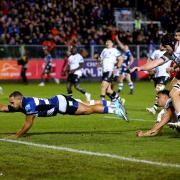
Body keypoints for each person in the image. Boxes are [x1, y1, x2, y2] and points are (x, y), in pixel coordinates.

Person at [0, 91, 128, 138]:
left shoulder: (28, 105)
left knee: (88, 110)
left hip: (60, 105)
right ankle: (115, 102)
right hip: (58, 100)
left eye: (12, 102)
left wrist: (17, 135)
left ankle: (116, 109)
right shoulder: (21, 104)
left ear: (19, 99)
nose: (11, 104)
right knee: (86, 104)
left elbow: (28, 124)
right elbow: (4, 108)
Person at [131, 32, 180, 122]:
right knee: (173, 91)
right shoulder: (170, 53)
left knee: (173, 93)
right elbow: (156, 62)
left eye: (166, 46)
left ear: (172, 44)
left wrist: (174, 68)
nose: (165, 48)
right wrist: (140, 68)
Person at [146, 44, 172, 115]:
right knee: (159, 92)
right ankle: (169, 104)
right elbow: (150, 60)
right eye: (160, 45)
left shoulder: (169, 52)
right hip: (157, 75)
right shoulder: (156, 52)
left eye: (162, 45)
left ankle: (154, 108)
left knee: (159, 89)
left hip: (165, 74)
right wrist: (150, 68)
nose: (161, 46)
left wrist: (172, 68)